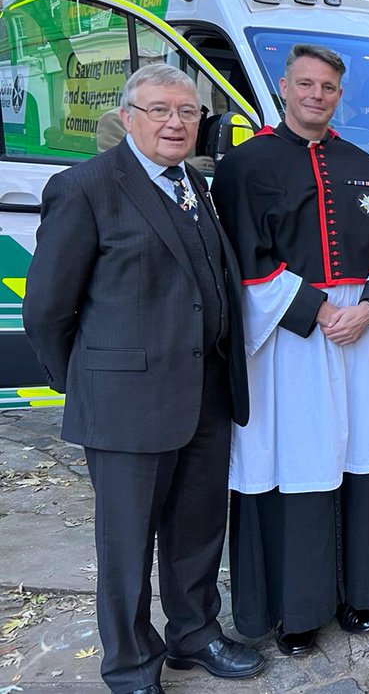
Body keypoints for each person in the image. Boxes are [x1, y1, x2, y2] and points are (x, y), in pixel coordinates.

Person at [22, 64, 266, 693]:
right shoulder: (85, 188)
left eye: (187, 112)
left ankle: (195, 634)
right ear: (128, 116)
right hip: (125, 400)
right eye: (159, 110)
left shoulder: (196, 184)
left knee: (197, 529)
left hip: (206, 391)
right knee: (127, 547)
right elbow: (47, 308)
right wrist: (84, 382)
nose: (175, 123)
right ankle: (131, 665)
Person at [211, 43, 369, 655]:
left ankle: (363, 594)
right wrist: (318, 308)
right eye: (305, 84)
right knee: (297, 466)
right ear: (285, 87)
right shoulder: (244, 167)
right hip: (289, 343)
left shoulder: (362, 162)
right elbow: (242, 259)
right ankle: (296, 612)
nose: (316, 95)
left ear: (340, 94)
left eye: (327, 87)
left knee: (364, 458)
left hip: (361, 340)